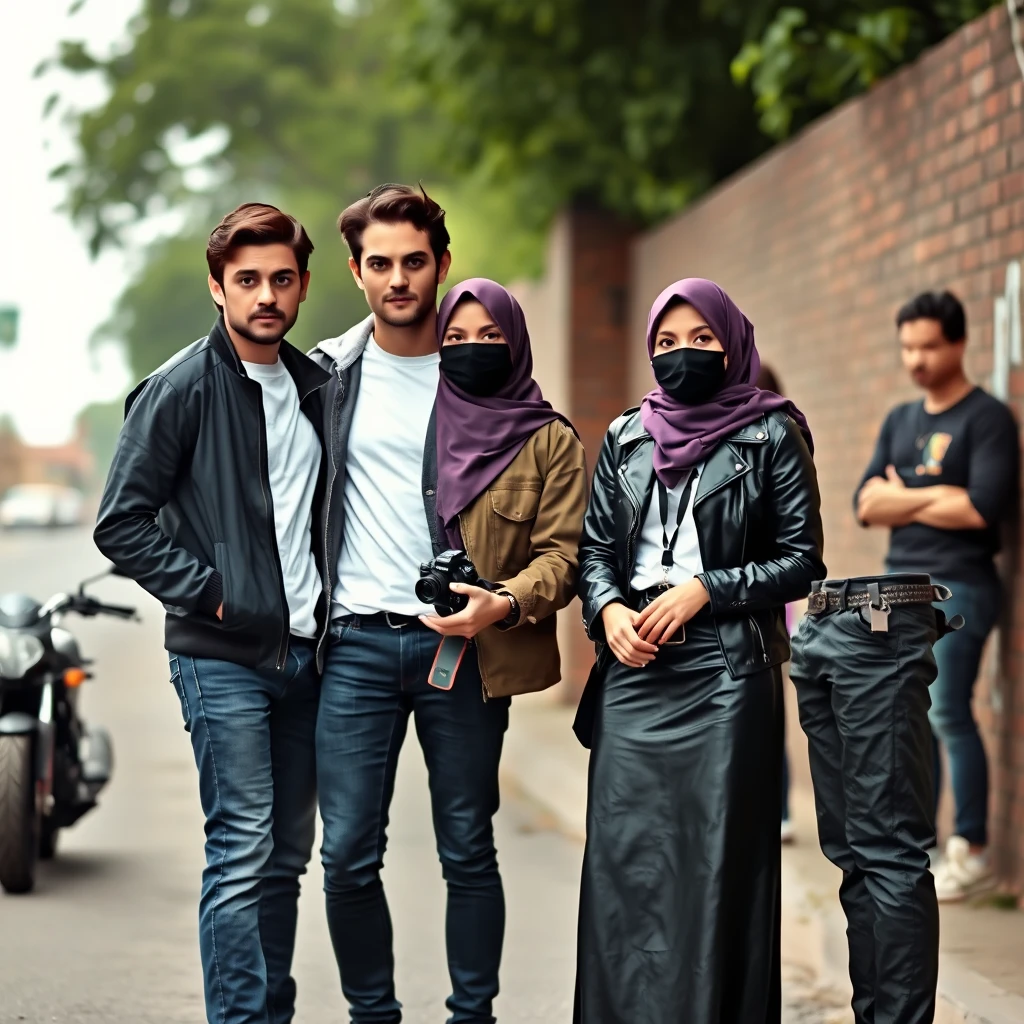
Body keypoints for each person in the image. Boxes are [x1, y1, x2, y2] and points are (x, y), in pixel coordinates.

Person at [309, 190, 587, 1024]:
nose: (399, 279)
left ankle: (474, 1015)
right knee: (348, 855)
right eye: (381, 263)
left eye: (414, 261)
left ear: (441, 263)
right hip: (354, 646)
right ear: (356, 272)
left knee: (467, 847)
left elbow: (561, 548)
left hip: (463, 652)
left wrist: (498, 605)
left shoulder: (488, 382)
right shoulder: (325, 376)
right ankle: (373, 1015)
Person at [94, 203, 330, 1024]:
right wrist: (212, 590)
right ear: (217, 286)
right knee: (242, 850)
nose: (266, 294)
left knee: (284, 861)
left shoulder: (316, 388)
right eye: (247, 280)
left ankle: (270, 1013)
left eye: (281, 279)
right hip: (221, 653)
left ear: (302, 286)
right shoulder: (181, 386)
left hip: (308, 657)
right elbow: (119, 522)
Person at [574, 278, 824, 1024]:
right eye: (668, 343)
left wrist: (707, 589)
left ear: (733, 342)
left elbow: (802, 559)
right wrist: (609, 607)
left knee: (713, 866)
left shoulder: (773, 433)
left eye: (702, 340)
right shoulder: (625, 435)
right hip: (634, 669)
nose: (684, 354)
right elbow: (594, 552)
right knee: (625, 865)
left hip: (724, 671)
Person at [854, 290, 1019, 901]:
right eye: (907, 348)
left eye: (927, 346)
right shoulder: (900, 420)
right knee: (905, 717)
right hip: (897, 590)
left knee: (947, 710)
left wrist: (905, 497)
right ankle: (918, 844)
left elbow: (982, 508)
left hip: (962, 589)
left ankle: (970, 850)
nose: (916, 359)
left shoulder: (987, 419)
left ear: (957, 342)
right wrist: (935, 496)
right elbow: (865, 504)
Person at [756, 363, 798, 845]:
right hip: (769, 599)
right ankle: (779, 808)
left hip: (767, 602)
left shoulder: (781, 445)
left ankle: (782, 808)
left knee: (769, 706)